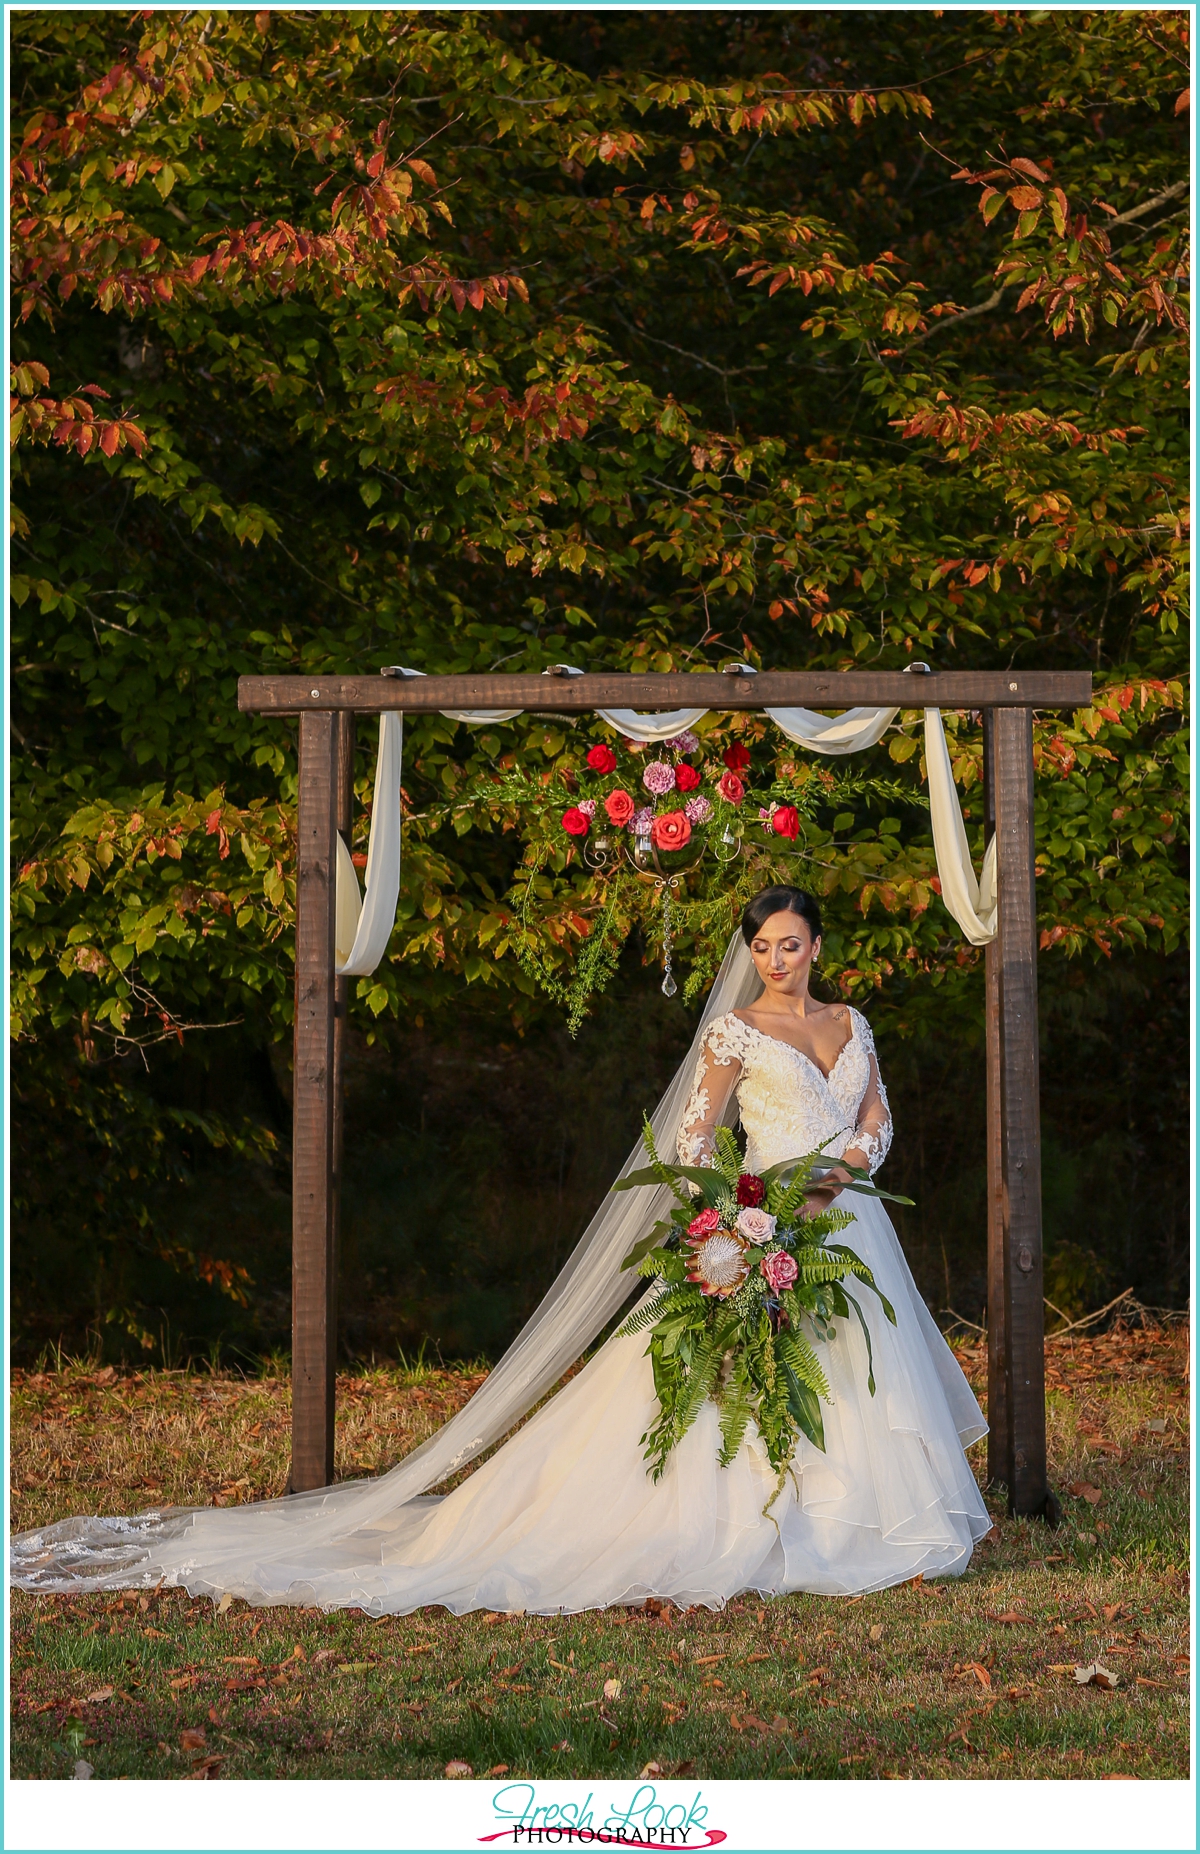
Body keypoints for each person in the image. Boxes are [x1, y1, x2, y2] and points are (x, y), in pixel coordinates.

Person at [12, 886, 990, 1613]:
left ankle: (864, 1517)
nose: (779, 960)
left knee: (863, 1372)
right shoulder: (736, 1031)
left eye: (792, 944)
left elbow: (876, 1113)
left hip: (853, 1217)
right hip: (767, 1211)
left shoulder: (851, 1021)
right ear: (752, 955)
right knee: (742, 1377)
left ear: (817, 943)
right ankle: (759, 1519)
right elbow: (694, 1138)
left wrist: (849, 1164)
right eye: (764, 947)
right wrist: (746, 1204)